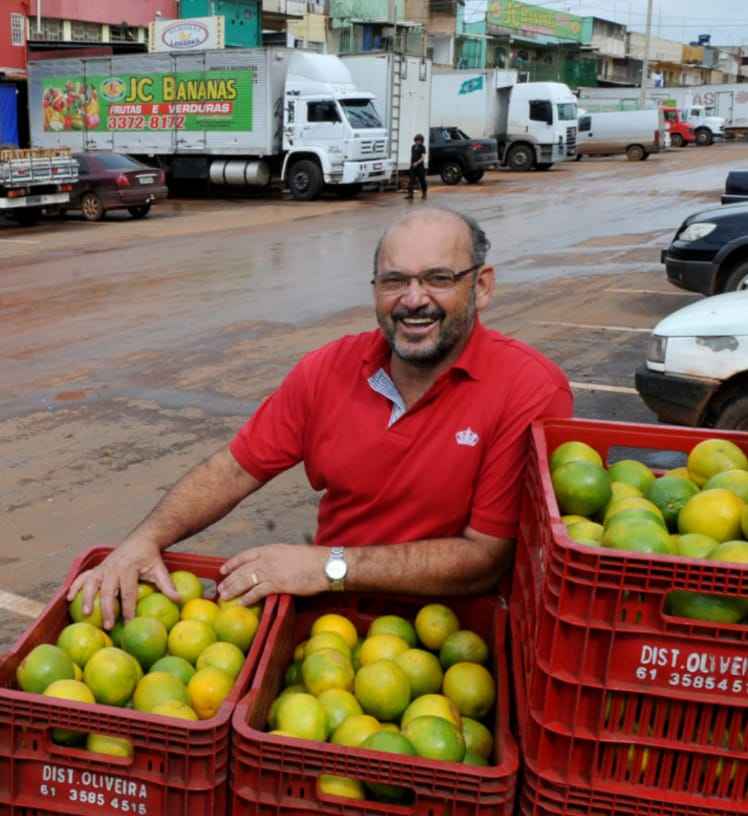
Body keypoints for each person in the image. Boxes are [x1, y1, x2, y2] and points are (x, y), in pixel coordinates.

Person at [68, 208, 573, 629]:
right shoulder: (328, 371)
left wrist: (328, 565)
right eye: (394, 281)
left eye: (439, 279)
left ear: (481, 287)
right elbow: (236, 467)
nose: (414, 299)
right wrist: (144, 540)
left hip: (456, 638)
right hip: (329, 630)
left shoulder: (528, 389)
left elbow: (485, 558)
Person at [407, 134, 428, 201]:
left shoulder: (422, 147)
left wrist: (417, 162)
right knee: (411, 180)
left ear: (422, 141)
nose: (418, 141)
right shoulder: (413, 147)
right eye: (417, 140)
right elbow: (412, 156)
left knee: (422, 180)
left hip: (420, 167)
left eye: (419, 140)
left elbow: (423, 158)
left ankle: (424, 194)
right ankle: (410, 194)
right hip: (413, 166)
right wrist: (411, 164)